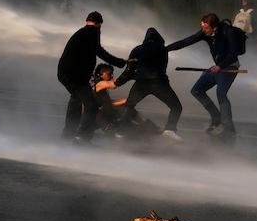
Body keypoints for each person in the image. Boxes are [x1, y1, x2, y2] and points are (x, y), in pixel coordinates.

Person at [166, 13, 243, 137]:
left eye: (206, 28)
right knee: (197, 90)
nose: (203, 30)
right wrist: (165, 49)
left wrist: (220, 66)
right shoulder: (205, 33)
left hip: (230, 67)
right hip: (217, 68)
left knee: (221, 93)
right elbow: (186, 41)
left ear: (214, 26)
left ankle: (229, 129)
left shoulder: (228, 32)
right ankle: (216, 118)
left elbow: (233, 53)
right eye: (202, 27)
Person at [56, 11, 126, 142]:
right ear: (99, 24)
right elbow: (99, 51)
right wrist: (119, 62)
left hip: (67, 74)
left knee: (76, 102)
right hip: (75, 77)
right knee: (91, 105)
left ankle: (67, 136)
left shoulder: (82, 32)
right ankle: (82, 137)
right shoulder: (93, 32)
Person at [115, 27, 183, 139]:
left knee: (129, 105)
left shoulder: (137, 49)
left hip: (141, 83)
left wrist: (118, 82)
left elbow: (129, 70)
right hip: (159, 83)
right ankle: (170, 129)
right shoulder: (163, 50)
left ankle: (120, 132)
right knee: (176, 107)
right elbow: (162, 68)